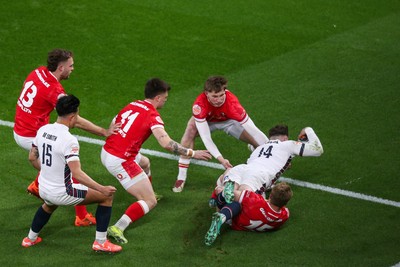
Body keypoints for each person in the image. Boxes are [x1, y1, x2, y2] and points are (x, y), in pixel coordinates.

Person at [13, 48, 119, 227]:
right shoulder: (55, 91)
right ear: (61, 68)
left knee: (56, 164)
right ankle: (81, 216)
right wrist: (103, 132)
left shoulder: (38, 71)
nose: (73, 69)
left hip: (20, 128)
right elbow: (74, 120)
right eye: (70, 66)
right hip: (31, 134)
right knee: (69, 168)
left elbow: (29, 87)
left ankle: (38, 184)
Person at [101, 78, 212, 244]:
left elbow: (115, 120)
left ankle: (149, 190)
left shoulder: (133, 104)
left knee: (145, 162)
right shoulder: (152, 115)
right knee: (149, 201)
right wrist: (192, 153)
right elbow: (166, 143)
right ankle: (118, 227)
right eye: (165, 98)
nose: (166, 101)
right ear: (158, 98)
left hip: (107, 150)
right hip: (121, 160)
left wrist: (112, 132)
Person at [22, 95, 122, 253]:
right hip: (63, 191)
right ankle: (100, 242)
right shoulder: (69, 140)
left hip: (43, 188)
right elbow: (77, 173)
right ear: (73, 116)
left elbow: (32, 157)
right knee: (106, 197)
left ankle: (30, 239)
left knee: (49, 204)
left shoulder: (43, 130)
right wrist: (101, 188)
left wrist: (48, 171)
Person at [204, 124, 324, 245]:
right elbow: (318, 150)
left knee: (224, 185)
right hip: (258, 176)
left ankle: (219, 198)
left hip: (242, 168)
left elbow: (251, 146)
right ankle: (222, 215)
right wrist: (307, 130)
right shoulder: (287, 145)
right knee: (241, 202)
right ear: (285, 138)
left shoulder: (259, 147)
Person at [172, 76, 268, 192]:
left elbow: (253, 129)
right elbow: (206, 138)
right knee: (190, 129)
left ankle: (260, 156)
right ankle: (181, 177)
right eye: (214, 96)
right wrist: (221, 159)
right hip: (208, 122)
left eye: (222, 95)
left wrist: (272, 147)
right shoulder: (199, 106)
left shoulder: (233, 105)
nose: (219, 99)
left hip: (228, 121)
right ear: (206, 94)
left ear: (225, 91)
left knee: (255, 140)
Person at [205, 182, 293, 246]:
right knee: (239, 199)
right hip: (251, 225)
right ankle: (220, 216)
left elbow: (232, 193)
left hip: (234, 221)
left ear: (270, 196)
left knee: (224, 193)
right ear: (285, 203)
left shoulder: (256, 201)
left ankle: (221, 214)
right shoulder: (284, 216)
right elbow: (283, 209)